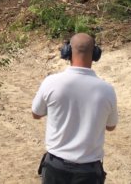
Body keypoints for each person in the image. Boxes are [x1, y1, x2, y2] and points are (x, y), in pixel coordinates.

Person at [32, 33, 117, 184]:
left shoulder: (51, 82)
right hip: (89, 171)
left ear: (67, 52)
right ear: (95, 54)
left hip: (55, 166)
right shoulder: (107, 90)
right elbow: (111, 126)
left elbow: (36, 113)